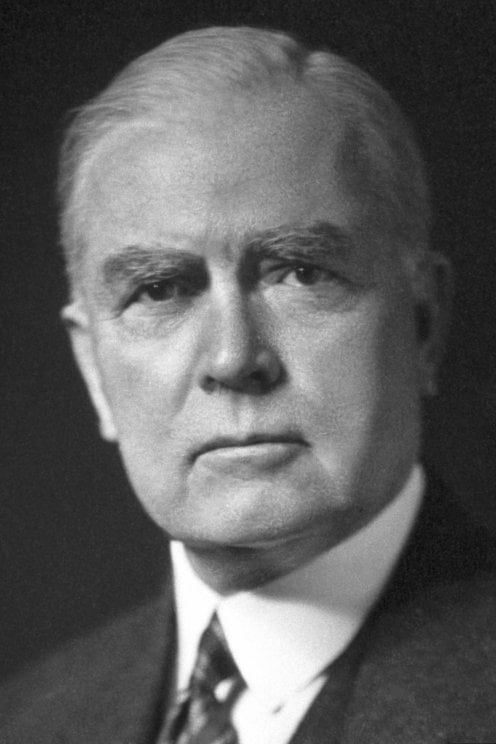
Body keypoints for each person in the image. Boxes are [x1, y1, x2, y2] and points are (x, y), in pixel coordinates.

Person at [2, 25, 495, 744]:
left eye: (300, 273)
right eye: (159, 289)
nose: (234, 358)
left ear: (424, 322)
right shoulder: (26, 720)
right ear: (93, 370)